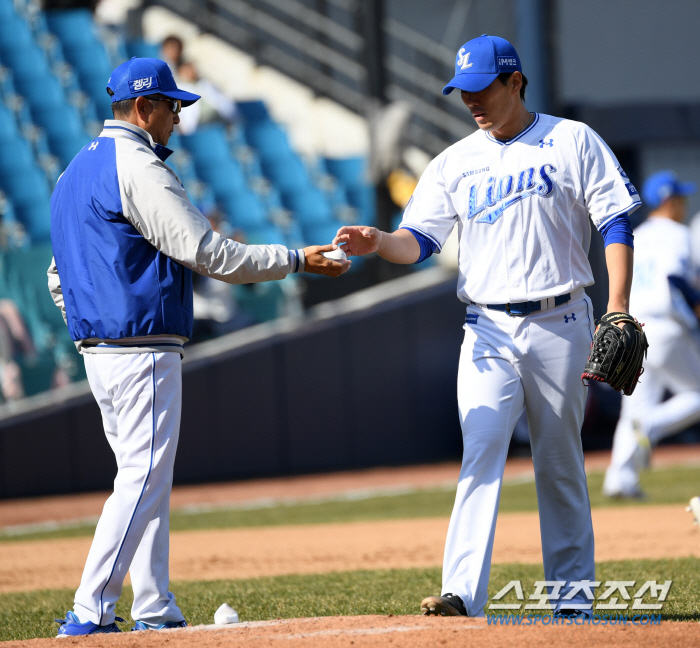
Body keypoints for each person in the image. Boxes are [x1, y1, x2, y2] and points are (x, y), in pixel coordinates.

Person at [335, 34, 640, 617]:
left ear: (515, 82)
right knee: (481, 450)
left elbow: (617, 223)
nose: (470, 101)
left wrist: (619, 306)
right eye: (462, 91)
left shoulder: (570, 140)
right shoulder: (454, 162)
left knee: (558, 462)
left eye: (481, 89)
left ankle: (572, 604)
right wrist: (378, 242)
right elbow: (418, 242)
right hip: (487, 330)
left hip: (561, 319)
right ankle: (461, 596)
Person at [48, 57, 349, 636]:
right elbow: (206, 252)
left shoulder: (71, 173)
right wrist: (293, 259)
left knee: (144, 478)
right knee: (142, 477)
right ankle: (91, 610)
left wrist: (89, 325)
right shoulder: (137, 166)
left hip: (100, 350)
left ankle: (155, 607)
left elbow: (58, 277)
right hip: (141, 347)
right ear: (143, 108)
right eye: (172, 106)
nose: (178, 119)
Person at [603, 171, 700, 498]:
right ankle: (652, 427)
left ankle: (619, 479)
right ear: (668, 200)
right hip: (663, 327)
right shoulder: (676, 233)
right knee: (695, 396)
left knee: (633, 410)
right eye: (680, 198)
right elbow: (675, 278)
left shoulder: (637, 234)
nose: (684, 204)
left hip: (631, 328)